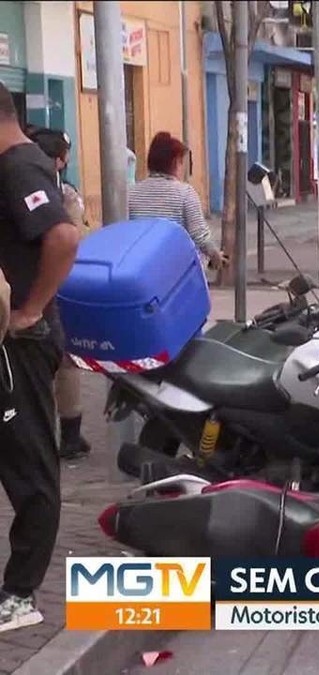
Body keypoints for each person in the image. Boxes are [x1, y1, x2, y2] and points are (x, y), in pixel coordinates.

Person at [0, 81, 82, 633]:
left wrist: (31, 309)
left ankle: (21, 595)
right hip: (14, 342)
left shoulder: (18, 167)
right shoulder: (21, 163)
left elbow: (63, 237)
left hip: (22, 346)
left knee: (29, 466)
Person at [28, 128, 92, 460]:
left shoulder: (14, 184)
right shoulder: (64, 195)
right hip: (55, 289)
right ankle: (69, 436)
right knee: (63, 362)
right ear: (60, 159)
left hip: (20, 289)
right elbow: (73, 239)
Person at [128, 131, 227, 269]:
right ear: (176, 162)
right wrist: (216, 256)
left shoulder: (132, 193)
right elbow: (199, 235)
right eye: (182, 162)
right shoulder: (185, 193)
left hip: (141, 266)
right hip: (175, 268)